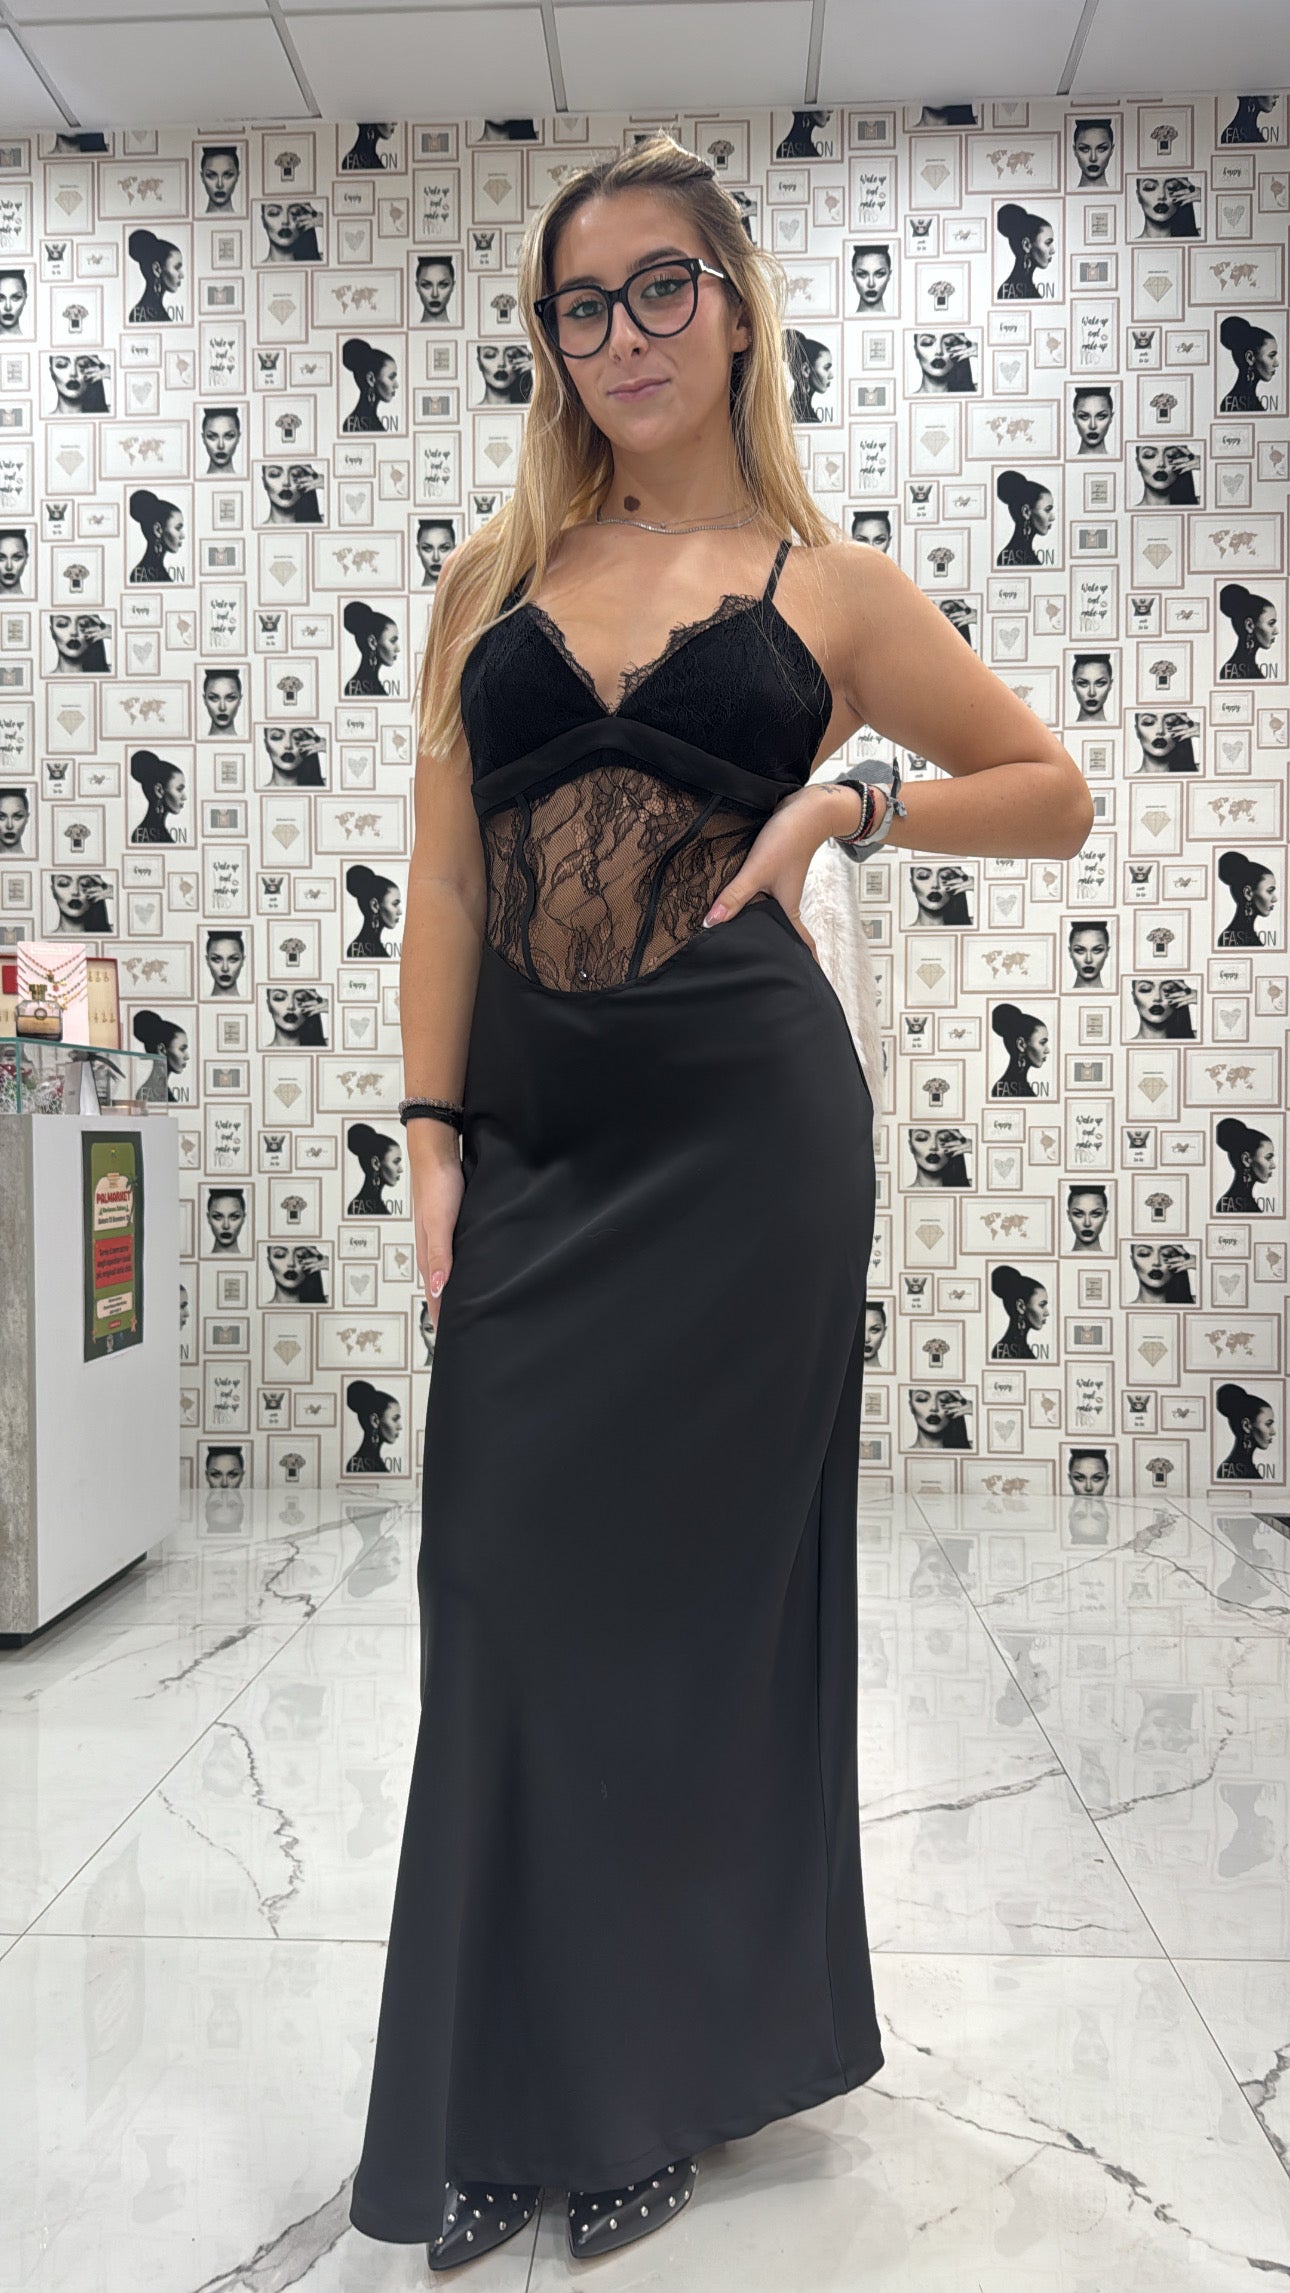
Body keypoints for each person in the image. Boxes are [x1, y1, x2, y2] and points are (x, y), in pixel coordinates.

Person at [347, 131, 1091, 2272]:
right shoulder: (487, 586)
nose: (624, 334)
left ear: (737, 308)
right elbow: (451, 884)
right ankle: (506, 2074)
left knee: (693, 1626)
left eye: (660, 286)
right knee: (499, 1598)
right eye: (581, 306)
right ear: (551, 343)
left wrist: (854, 808)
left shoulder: (828, 586)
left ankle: (651, 2084)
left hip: (749, 1145)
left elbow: (1050, 789)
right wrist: (429, 1135)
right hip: (540, 1139)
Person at [342, 601, 400, 695]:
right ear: (372, 642)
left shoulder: (364, 686)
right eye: (392, 641)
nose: (398, 649)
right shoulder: (358, 689)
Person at [129, 749, 186, 843]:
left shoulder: (146, 833)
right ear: (159, 790)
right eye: (179, 789)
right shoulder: (148, 837)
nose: (184, 797)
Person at [128, 489, 184, 583]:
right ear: (158, 530)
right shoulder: (145, 575)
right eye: (178, 528)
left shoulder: (148, 572)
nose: (182, 536)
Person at [126, 229, 183, 321]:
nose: (182, 275)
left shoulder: (147, 311)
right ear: (157, 269)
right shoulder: (144, 315)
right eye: (177, 267)